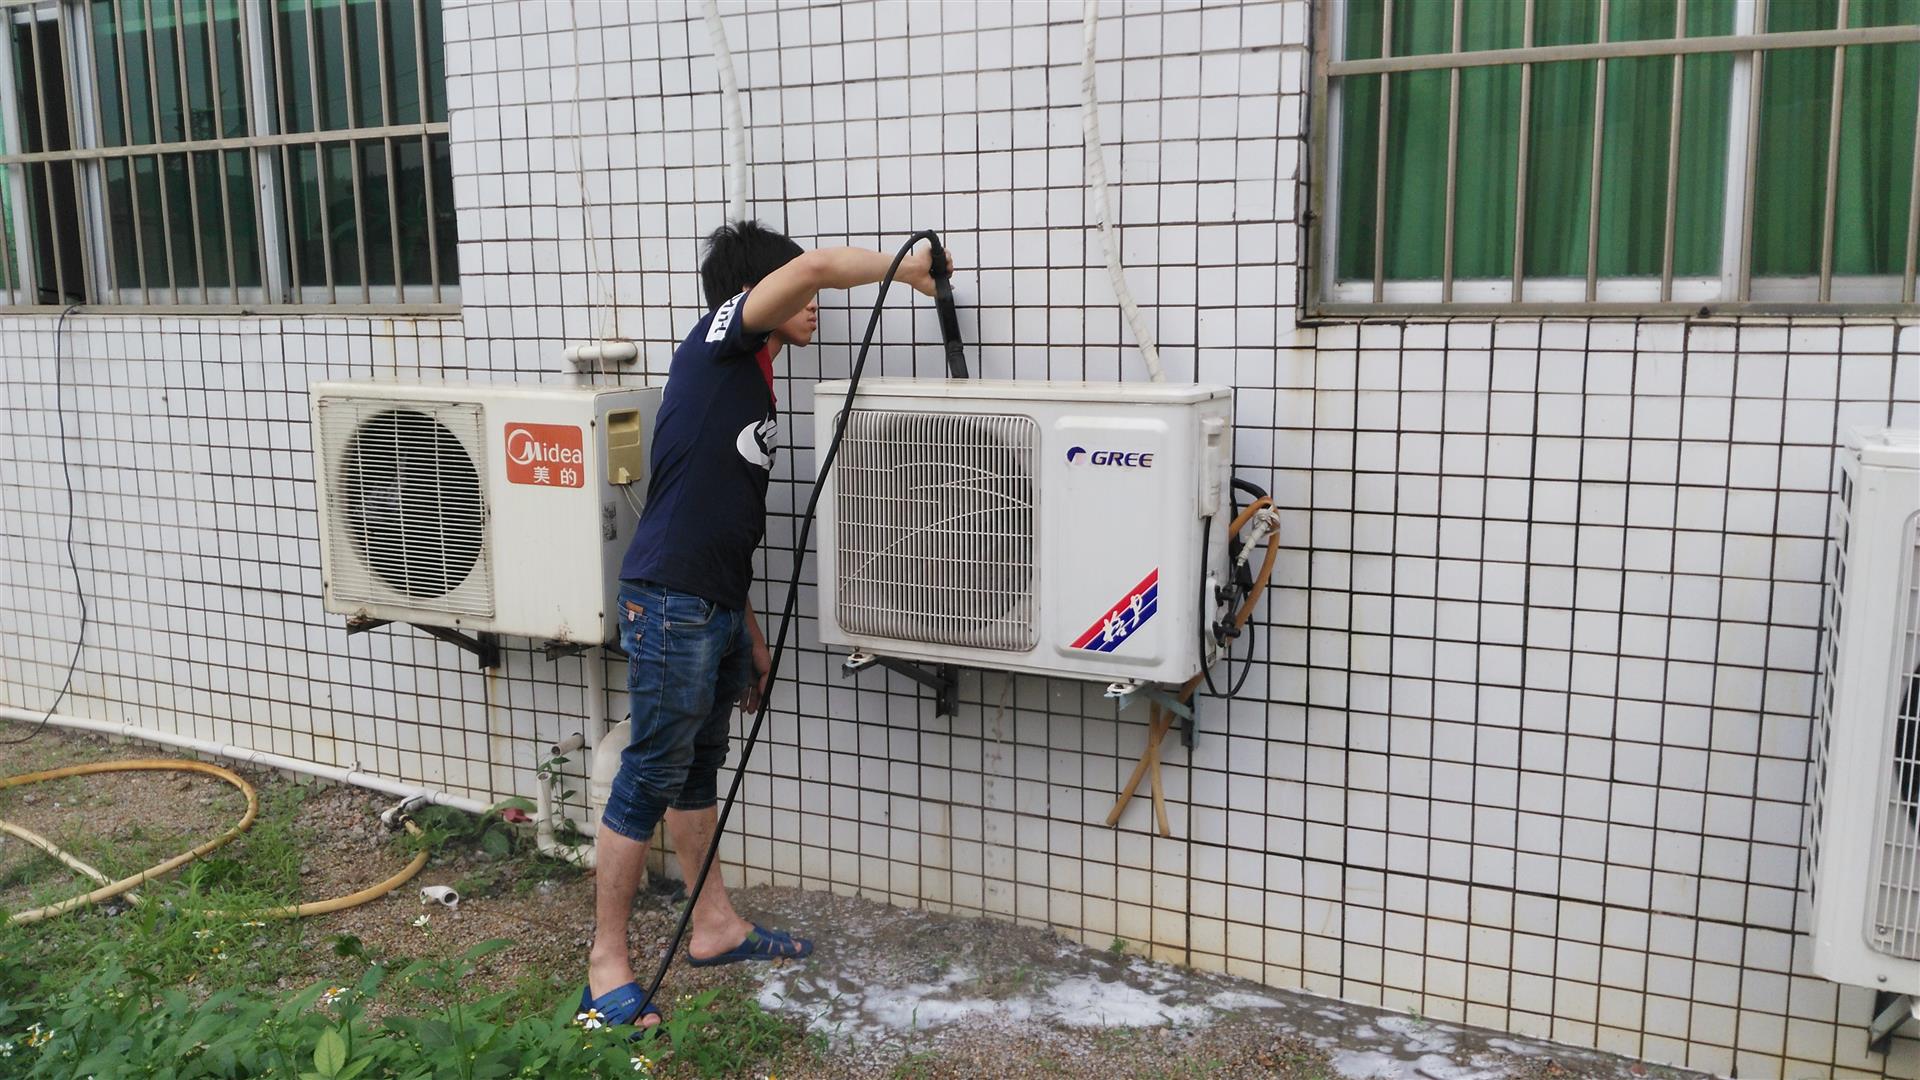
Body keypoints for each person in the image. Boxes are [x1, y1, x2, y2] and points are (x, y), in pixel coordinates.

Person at [580, 221, 950, 1031]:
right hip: (670, 599)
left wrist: (746, 628)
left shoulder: (750, 379)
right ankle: (605, 966)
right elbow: (814, 266)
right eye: (797, 292)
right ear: (757, 293)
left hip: (708, 601)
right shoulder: (717, 342)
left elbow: (717, 515)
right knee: (649, 774)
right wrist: (908, 270)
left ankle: (713, 927)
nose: (813, 303)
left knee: (696, 771)